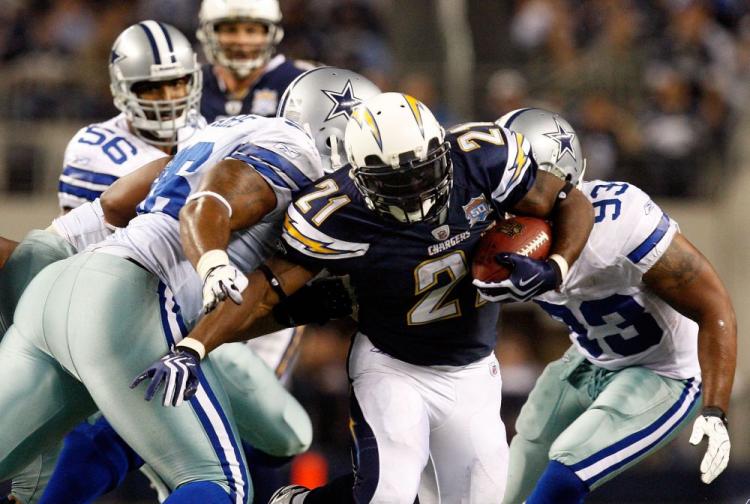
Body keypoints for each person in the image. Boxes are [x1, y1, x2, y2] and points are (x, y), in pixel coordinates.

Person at [134, 92, 595, 503]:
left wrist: (557, 265)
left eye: (421, 173)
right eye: (396, 181)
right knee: (388, 494)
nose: (415, 189)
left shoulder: (485, 158)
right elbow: (266, 291)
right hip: (392, 364)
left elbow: (568, 200)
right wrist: (195, 344)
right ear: (358, 174)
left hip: (472, 368)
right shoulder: (334, 212)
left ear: (442, 152)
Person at [0, 67, 378, 504]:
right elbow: (209, 202)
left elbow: (119, 204)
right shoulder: (298, 153)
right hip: (130, 296)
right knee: (222, 484)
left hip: (62, 290)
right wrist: (212, 261)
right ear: (336, 128)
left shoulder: (223, 130)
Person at [490, 108, 736, 503]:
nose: (505, 193)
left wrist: (715, 410)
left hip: (663, 370)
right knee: (518, 460)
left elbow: (714, 307)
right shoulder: (493, 227)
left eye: (522, 179)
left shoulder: (618, 223)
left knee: (566, 469)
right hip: (591, 355)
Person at [58, 20, 204, 213]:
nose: (167, 98)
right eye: (151, 87)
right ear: (122, 89)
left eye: (176, 83)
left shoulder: (197, 126)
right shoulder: (92, 147)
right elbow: (73, 238)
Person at [197, 0, 315, 123]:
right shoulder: (191, 83)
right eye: (230, 30)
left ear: (272, 34)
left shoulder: (300, 82)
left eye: (251, 30)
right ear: (208, 33)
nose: (241, 41)